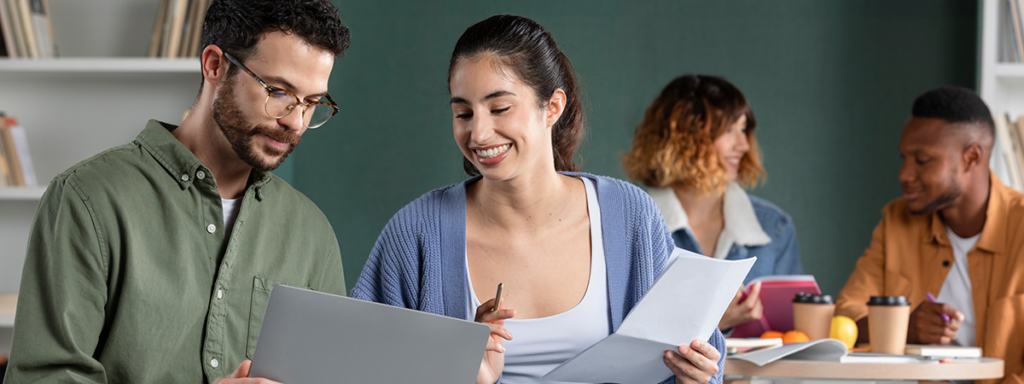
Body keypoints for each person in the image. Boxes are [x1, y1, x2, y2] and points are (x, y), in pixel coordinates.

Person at [352, 14, 724, 384]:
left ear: (553, 107)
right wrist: (463, 375)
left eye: (500, 108)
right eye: (463, 113)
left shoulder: (630, 216)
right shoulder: (416, 232)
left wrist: (695, 378)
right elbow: (356, 366)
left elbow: (701, 354)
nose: (478, 133)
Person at [3, 1, 350, 382]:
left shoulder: (312, 235)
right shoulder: (88, 199)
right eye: (279, 92)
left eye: (313, 102)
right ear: (214, 65)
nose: (295, 122)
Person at [835, 86, 1024, 384]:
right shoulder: (896, 221)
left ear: (971, 157)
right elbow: (845, 319)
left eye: (922, 161)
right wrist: (904, 328)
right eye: (904, 158)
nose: (904, 175)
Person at [623, 75, 803, 331]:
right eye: (729, 131)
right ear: (685, 138)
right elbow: (623, 336)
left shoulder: (775, 228)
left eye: (743, 129)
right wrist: (713, 326)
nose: (743, 144)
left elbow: (791, 336)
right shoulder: (630, 226)